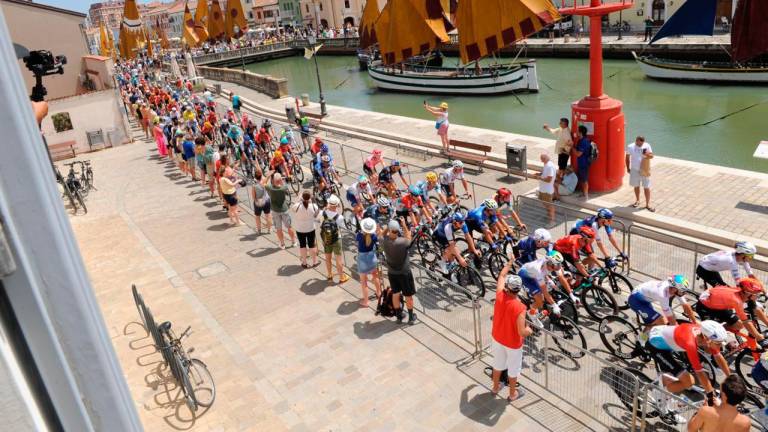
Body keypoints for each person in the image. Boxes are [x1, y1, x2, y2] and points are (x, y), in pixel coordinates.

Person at [646, 321, 730, 423]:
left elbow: (718, 356)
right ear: (706, 338)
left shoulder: (704, 334)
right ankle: (660, 395)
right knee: (688, 381)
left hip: (664, 337)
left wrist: (730, 377)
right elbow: (699, 372)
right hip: (656, 346)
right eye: (718, 343)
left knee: (681, 376)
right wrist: (710, 394)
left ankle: (663, 387)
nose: (720, 346)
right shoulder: (690, 343)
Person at [490, 265, 532, 402]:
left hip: (497, 337)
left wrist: (509, 263)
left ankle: (495, 387)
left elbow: (501, 275)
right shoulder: (520, 307)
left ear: (507, 287)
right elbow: (522, 331)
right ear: (519, 290)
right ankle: (513, 394)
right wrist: (530, 329)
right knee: (513, 369)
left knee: (498, 364)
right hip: (512, 343)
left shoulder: (499, 294)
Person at [694, 277, 768, 345]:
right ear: (748, 293)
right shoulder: (736, 300)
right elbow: (746, 322)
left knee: (738, 325)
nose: (758, 296)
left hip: (719, 304)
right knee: (709, 340)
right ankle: (697, 341)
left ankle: (719, 331)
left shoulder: (745, 295)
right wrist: (758, 337)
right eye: (756, 294)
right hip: (705, 307)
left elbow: (756, 310)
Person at [629, 275, 697, 338]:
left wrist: (695, 323)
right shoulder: (662, 295)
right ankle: (641, 341)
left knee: (652, 324)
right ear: (674, 288)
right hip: (636, 301)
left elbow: (686, 305)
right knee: (662, 322)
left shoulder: (673, 289)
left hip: (644, 299)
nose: (683, 293)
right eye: (682, 290)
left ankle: (642, 339)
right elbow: (670, 319)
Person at [380, 218, 417, 324]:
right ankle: (410, 317)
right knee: (408, 296)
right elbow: (409, 237)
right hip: (405, 273)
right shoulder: (402, 242)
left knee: (395, 294)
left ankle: (399, 316)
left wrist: (388, 226)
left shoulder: (384, 241)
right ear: (397, 230)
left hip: (392, 273)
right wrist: (404, 225)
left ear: (390, 230)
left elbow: (380, 235)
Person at [317, 195, 349, 283]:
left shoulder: (321, 213)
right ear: (337, 205)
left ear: (328, 203)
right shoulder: (340, 217)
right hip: (336, 239)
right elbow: (343, 228)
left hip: (326, 238)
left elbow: (320, 223)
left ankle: (329, 275)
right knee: (338, 259)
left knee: (328, 258)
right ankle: (341, 277)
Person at [265, 173, 297, 249]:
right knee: (289, 227)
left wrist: (268, 176)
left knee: (278, 228)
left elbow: (264, 183)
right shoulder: (283, 188)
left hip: (275, 210)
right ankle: (293, 241)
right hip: (284, 209)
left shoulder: (270, 188)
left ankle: (282, 244)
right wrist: (281, 181)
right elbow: (285, 183)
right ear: (280, 180)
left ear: (273, 180)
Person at [356, 218, 382, 307]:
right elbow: (377, 238)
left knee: (364, 282)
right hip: (372, 257)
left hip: (362, 258)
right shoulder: (374, 236)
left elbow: (358, 241)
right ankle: (379, 293)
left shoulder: (359, 235)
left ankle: (366, 301)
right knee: (375, 276)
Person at [291, 190, 320, 269]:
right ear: (310, 197)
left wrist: (299, 198)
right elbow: (317, 213)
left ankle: (304, 262)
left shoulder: (297, 206)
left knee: (302, 245)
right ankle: (314, 261)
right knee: (312, 245)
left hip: (300, 229)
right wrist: (313, 200)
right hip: (310, 228)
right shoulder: (313, 206)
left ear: (302, 197)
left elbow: (293, 209)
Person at [626, 136, 655, 211]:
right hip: (634, 170)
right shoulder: (630, 146)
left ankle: (648, 204)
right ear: (636, 141)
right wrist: (628, 168)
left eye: (642, 143)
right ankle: (637, 200)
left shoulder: (647, 145)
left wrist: (647, 154)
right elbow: (627, 158)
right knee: (636, 186)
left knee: (646, 187)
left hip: (644, 169)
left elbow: (652, 156)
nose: (641, 145)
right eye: (639, 143)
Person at [533, 152, 556, 226]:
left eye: (542, 159)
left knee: (549, 205)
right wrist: (539, 174)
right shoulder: (547, 165)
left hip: (547, 190)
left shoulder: (549, 166)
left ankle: (552, 221)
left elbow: (549, 179)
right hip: (544, 189)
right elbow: (545, 175)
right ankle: (549, 216)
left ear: (545, 158)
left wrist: (539, 177)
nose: (541, 161)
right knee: (545, 203)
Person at [573, 125, 592, 200]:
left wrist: (572, 147)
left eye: (577, 131)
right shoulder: (583, 140)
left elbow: (578, 154)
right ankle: (584, 193)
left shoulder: (583, 142)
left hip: (583, 164)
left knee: (584, 180)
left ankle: (586, 196)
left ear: (580, 133)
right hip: (582, 163)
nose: (576, 132)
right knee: (582, 179)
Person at [251, 169, 271, 233]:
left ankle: (259, 230)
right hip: (266, 200)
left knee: (257, 216)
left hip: (258, 202)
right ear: (261, 176)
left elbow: (253, 196)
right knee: (268, 215)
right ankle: (269, 229)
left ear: (255, 177)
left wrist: (256, 201)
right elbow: (267, 177)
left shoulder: (254, 185)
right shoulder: (264, 182)